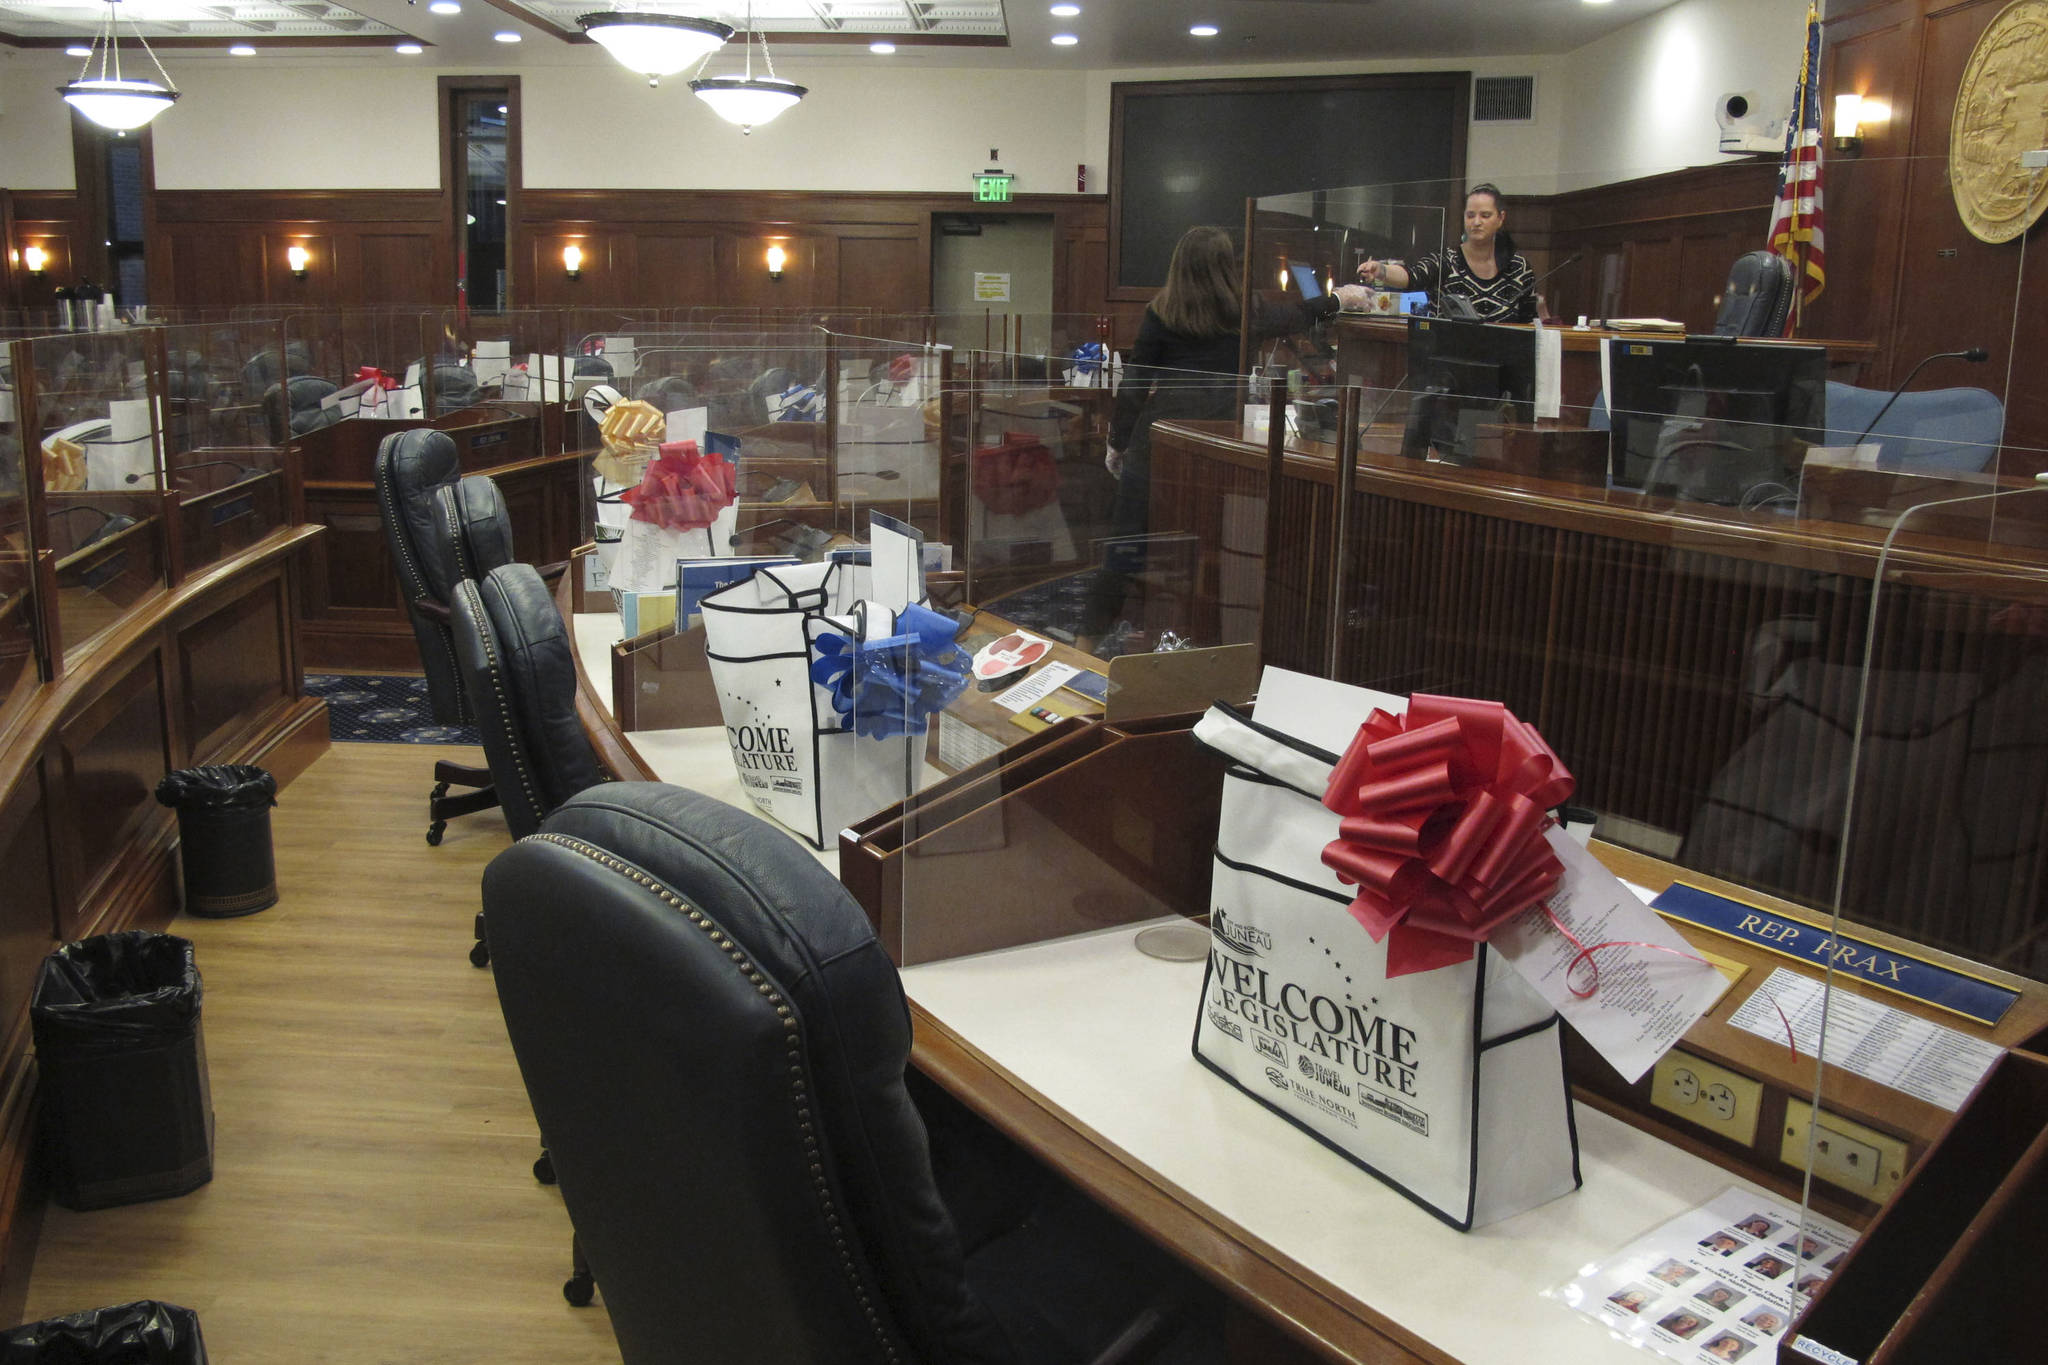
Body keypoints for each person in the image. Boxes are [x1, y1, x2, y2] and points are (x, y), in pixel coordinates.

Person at [1086, 224, 1335, 642]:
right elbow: (1302, 314)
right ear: (1225, 266)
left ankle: (1084, 645)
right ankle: (1206, 645)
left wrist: (1117, 442)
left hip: (1159, 440)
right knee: (1209, 549)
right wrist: (1339, 299)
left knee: (1124, 547)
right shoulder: (1247, 313)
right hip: (1220, 444)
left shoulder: (1160, 313)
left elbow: (1134, 383)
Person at [1357, 183, 1536, 322]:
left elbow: (1530, 322)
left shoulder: (1519, 267)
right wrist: (1381, 270)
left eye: (1485, 215)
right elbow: (1411, 276)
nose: (1476, 222)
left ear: (1501, 218)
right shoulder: (1446, 259)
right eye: (1470, 215)